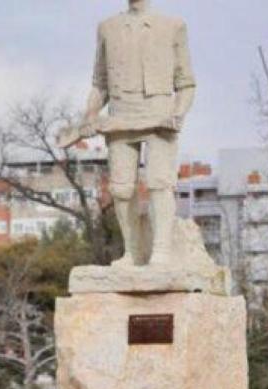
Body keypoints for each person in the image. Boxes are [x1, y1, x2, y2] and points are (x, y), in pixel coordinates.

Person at [82, 0, 196, 266]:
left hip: (159, 118)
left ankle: (161, 251)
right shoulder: (107, 28)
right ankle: (132, 252)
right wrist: (89, 114)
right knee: (121, 189)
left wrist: (178, 113)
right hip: (120, 117)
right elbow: (100, 84)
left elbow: (186, 83)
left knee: (159, 183)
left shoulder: (173, 26)